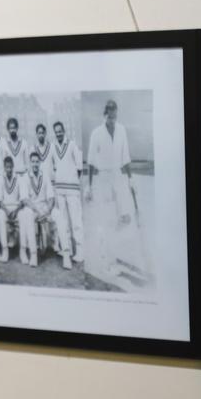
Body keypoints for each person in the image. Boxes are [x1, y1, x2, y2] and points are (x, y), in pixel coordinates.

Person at [87, 99, 143, 280]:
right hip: (102, 180)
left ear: (116, 114)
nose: (112, 119)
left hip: (118, 179)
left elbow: (126, 158)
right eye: (109, 116)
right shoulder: (96, 133)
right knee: (107, 221)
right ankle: (106, 263)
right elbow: (90, 163)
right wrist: (89, 186)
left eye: (114, 116)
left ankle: (108, 252)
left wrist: (131, 179)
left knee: (124, 218)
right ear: (104, 115)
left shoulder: (122, 130)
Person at [50, 120, 86, 267]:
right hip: (60, 190)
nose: (58, 133)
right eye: (56, 131)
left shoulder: (71, 144)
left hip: (72, 190)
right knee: (64, 222)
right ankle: (69, 250)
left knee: (76, 221)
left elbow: (79, 167)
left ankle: (81, 252)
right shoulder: (53, 147)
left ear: (63, 131)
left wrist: (73, 182)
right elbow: (54, 167)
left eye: (60, 130)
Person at [20, 151, 55, 268]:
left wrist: (47, 211)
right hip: (32, 208)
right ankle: (33, 254)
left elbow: (51, 197)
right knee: (28, 214)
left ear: (40, 163)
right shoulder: (25, 177)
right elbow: (25, 199)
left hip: (43, 209)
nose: (35, 164)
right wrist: (37, 210)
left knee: (57, 216)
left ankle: (64, 251)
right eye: (33, 162)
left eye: (37, 162)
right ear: (30, 163)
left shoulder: (45, 176)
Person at [0, 156, 25, 263]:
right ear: (4, 168)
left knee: (24, 216)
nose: (9, 169)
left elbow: (23, 199)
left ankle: (22, 251)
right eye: (7, 167)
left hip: (16, 208)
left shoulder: (19, 178)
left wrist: (16, 210)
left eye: (10, 167)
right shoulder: (0, 178)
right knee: (0, 216)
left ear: (13, 167)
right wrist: (6, 210)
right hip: (5, 208)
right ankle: (5, 251)